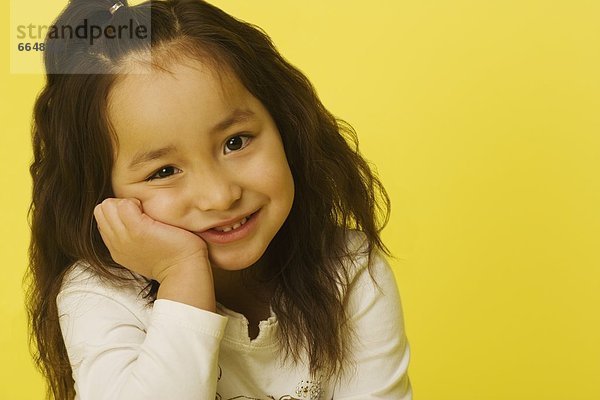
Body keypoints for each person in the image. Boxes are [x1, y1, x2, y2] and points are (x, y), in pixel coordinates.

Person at [25, 0, 412, 399]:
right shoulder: (100, 296)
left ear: (286, 125)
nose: (220, 195)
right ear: (102, 195)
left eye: (235, 142)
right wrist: (181, 275)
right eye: (163, 172)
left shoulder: (347, 272)